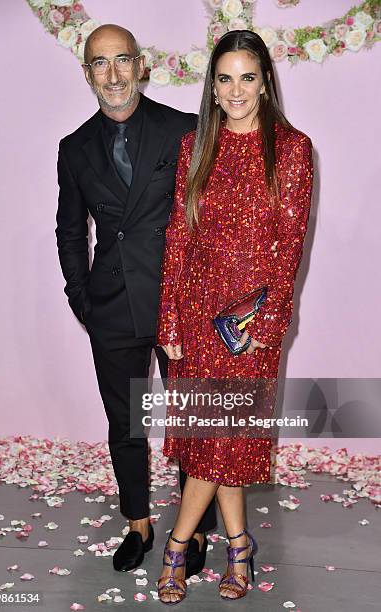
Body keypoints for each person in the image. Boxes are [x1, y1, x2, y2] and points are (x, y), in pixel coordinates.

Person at [156, 29, 313, 603]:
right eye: (225, 78)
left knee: (219, 438)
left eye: (248, 76)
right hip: (198, 316)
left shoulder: (292, 148)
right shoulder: (196, 144)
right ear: (213, 87)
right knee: (213, 438)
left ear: (266, 81)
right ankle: (239, 546)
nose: (237, 89)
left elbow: (289, 247)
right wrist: (169, 317)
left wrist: (269, 330)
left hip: (249, 325)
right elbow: (178, 236)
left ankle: (176, 548)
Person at [55, 24, 217, 575]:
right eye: (101, 64)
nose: (114, 74)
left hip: (178, 305)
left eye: (123, 60)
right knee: (124, 420)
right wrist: (83, 298)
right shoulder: (74, 148)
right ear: (88, 74)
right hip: (113, 306)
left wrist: (205, 296)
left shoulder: (184, 130)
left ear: (141, 65)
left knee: (193, 418)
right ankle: (138, 523)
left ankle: (193, 531)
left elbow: (209, 221)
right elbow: (71, 231)